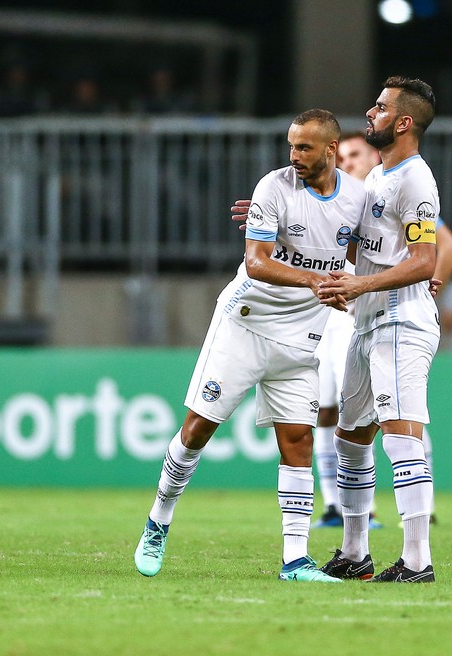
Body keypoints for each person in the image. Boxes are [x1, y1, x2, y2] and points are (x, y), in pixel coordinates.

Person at [133, 109, 364, 583]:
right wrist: (318, 280)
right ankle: (159, 518)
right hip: (246, 324)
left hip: (302, 337)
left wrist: (393, 282)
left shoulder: (357, 199)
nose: (294, 155)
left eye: (304, 147)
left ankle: (296, 560)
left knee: (298, 441)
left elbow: (366, 253)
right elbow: (257, 263)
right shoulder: (273, 187)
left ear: (330, 150)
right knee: (197, 429)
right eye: (291, 145)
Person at [316, 76, 443, 583]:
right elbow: (364, 252)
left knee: (400, 433)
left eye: (380, 107)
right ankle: (354, 552)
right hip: (367, 321)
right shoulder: (376, 179)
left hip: (400, 319)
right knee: (351, 436)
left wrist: (364, 285)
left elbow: (424, 260)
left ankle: (417, 559)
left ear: (404, 122)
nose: (370, 113)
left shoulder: (416, 181)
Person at [312, 133, 452, 529]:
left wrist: (431, 283)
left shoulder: (402, 185)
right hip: (345, 313)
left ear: (373, 153)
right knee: (334, 415)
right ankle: (338, 513)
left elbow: (441, 249)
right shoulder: (352, 196)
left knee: (397, 416)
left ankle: (417, 530)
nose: (346, 162)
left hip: (384, 307)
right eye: (340, 156)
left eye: (354, 153)